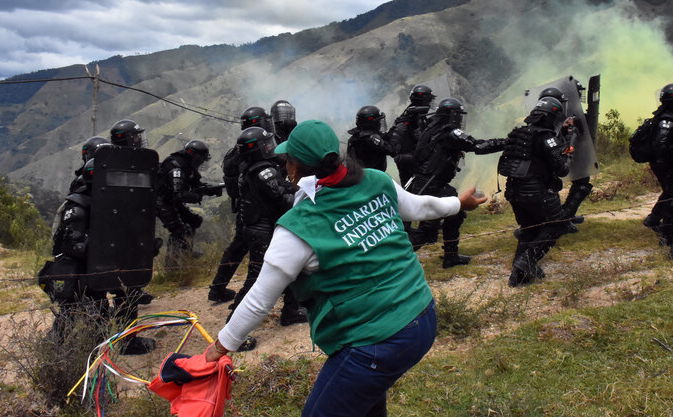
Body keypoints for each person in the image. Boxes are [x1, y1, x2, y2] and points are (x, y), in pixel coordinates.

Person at [206, 119, 487, 417]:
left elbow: (259, 300)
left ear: (294, 167)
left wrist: (219, 348)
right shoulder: (377, 181)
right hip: (422, 316)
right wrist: (459, 203)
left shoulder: (297, 229)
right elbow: (422, 207)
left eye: (287, 160)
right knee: (365, 402)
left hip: (374, 343)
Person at [40, 159, 155, 354]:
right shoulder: (78, 205)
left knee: (127, 296)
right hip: (81, 272)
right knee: (77, 314)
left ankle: (128, 342)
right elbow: (72, 246)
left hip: (106, 265)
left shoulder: (112, 201)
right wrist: (98, 241)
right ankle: (55, 353)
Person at [228, 127, 306, 350]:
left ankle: (291, 311)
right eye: (268, 144)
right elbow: (285, 198)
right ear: (257, 149)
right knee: (255, 280)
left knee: (293, 268)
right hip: (262, 231)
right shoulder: (264, 172)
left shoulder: (253, 168)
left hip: (262, 228)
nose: (272, 147)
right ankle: (233, 329)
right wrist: (304, 192)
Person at [407, 98, 506, 268]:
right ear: (452, 115)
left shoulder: (431, 128)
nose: (460, 120)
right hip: (433, 184)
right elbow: (479, 146)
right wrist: (506, 142)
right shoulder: (450, 132)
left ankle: (451, 256)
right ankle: (393, 261)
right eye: (458, 116)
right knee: (428, 231)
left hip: (424, 182)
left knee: (455, 214)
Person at [498, 97, 573, 287]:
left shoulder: (520, 133)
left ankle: (519, 277)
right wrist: (569, 150)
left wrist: (562, 133)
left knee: (529, 230)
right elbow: (562, 169)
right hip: (537, 192)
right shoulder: (546, 137)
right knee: (557, 225)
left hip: (514, 191)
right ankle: (526, 262)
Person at [208, 106, 272, 303]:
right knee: (258, 258)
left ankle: (218, 288)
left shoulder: (236, 151)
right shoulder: (252, 152)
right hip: (258, 211)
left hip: (245, 209)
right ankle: (243, 302)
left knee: (237, 248)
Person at [630, 83, 673, 246]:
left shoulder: (668, 116)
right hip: (664, 163)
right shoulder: (667, 120)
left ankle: (653, 219)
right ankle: (666, 229)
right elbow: (661, 145)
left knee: (670, 192)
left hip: (663, 162)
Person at [156, 140, 221, 268]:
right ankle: (172, 265)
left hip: (170, 200)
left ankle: (186, 253)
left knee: (194, 221)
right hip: (161, 201)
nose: (202, 162)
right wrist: (196, 196)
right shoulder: (176, 167)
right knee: (180, 230)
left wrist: (211, 190)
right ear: (195, 157)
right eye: (201, 159)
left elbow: (196, 185)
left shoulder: (188, 166)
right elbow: (179, 194)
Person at [539, 86, 593, 227]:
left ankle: (566, 216)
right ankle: (559, 222)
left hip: (556, 159)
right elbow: (553, 141)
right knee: (549, 190)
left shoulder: (546, 118)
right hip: (548, 164)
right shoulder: (548, 121)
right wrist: (567, 132)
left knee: (582, 181)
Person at [389, 84, 435, 185]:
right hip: (409, 160)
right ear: (424, 100)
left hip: (411, 158)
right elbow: (420, 138)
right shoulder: (411, 116)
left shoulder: (418, 114)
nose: (431, 103)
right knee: (413, 188)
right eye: (429, 100)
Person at [346, 105, 397, 171]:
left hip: (359, 177)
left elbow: (384, 137)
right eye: (378, 121)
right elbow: (392, 151)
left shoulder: (355, 137)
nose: (379, 124)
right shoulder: (370, 138)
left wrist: (394, 128)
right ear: (372, 122)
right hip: (373, 178)